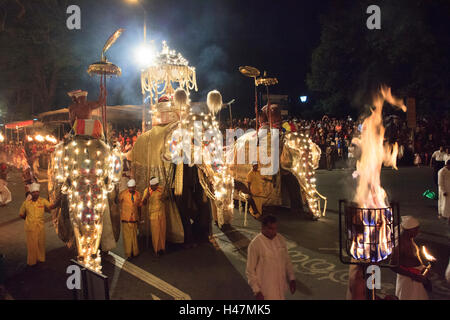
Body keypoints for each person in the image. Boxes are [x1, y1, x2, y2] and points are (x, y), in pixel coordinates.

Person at [246, 215, 296, 300]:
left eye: (275, 228)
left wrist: (292, 278)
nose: (274, 232)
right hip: (266, 291)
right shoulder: (255, 244)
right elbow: (250, 271)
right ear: (263, 228)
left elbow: (286, 260)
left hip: (280, 287)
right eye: (270, 228)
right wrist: (257, 291)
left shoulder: (280, 239)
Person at [18, 183, 60, 266]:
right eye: (34, 192)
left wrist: (58, 201)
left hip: (40, 226)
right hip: (30, 227)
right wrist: (28, 220)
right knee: (32, 245)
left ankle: (41, 258)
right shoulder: (26, 203)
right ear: (31, 193)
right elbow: (21, 215)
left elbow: (51, 206)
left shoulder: (43, 201)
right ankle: (32, 261)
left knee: (41, 242)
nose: (36, 193)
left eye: (37, 192)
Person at [390, 216, 431, 300]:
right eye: (415, 229)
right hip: (408, 280)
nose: (418, 232)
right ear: (408, 230)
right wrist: (413, 275)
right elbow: (393, 265)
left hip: (416, 277)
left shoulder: (409, 239)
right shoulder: (400, 245)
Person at [141, 177, 166, 256]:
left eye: (154, 186)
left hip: (162, 213)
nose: (152, 187)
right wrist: (146, 197)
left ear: (157, 185)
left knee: (162, 232)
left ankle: (162, 248)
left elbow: (167, 199)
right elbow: (143, 203)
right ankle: (157, 250)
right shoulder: (147, 191)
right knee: (155, 233)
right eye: (151, 185)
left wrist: (164, 198)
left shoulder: (162, 190)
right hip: (153, 214)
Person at [118, 179, 142, 260]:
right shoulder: (123, 194)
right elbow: (117, 202)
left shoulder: (138, 194)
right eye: (129, 188)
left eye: (132, 188)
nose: (131, 189)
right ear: (128, 187)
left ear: (135, 187)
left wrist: (140, 217)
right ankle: (128, 254)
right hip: (126, 218)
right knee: (127, 237)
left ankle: (135, 252)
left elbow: (139, 206)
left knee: (134, 236)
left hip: (134, 218)